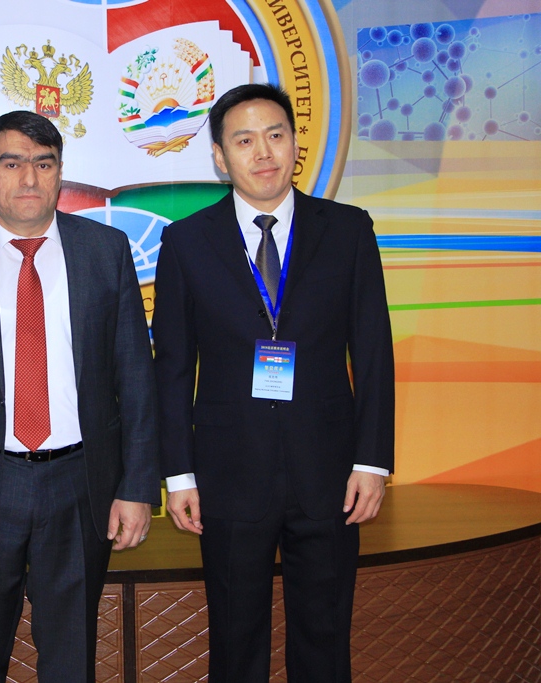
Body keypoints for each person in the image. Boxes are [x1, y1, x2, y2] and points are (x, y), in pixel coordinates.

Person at [0, 110, 160, 683]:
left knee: (71, 660)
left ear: (60, 174)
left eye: (44, 164)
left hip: (80, 486)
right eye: (12, 163)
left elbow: (136, 380)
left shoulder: (105, 250)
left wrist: (138, 487)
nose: (29, 178)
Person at [151, 83, 394, 683]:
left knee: (325, 641)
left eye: (275, 135)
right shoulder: (186, 242)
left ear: (294, 144)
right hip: (228, 476)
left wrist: (372, 461)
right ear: (219, 156)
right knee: (236, 644)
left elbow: (372, 351)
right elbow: (173, 367)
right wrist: (178, 474)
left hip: (330, 474)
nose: (263, 153)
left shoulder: (348, 230)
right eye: (244, 140)